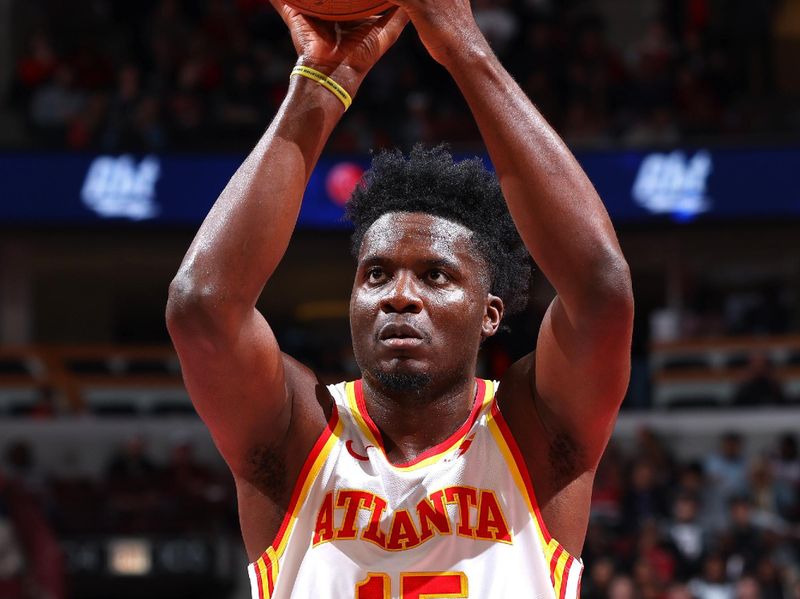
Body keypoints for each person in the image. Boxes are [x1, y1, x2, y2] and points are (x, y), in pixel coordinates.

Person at [165, 0, 633, 595]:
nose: (399, 297)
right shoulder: (299, 436)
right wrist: (321, 83)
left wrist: (465, 48)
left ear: (491, 313)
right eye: (376, 275)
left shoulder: (533, 434)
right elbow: (201, 306)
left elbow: (601, 291)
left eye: (436, 276)